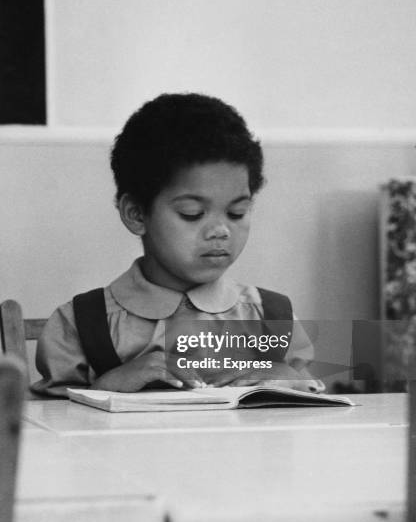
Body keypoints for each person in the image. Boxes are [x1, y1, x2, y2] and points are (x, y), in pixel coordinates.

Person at [32, 93, 322, 398]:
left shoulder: (273, 317)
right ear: (136, 214)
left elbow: (311, 418)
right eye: (192, 214)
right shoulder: (80, 324)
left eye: (237, 212)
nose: (221, 230)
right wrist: (109, 386)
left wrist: (288, 379)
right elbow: (48, 430)